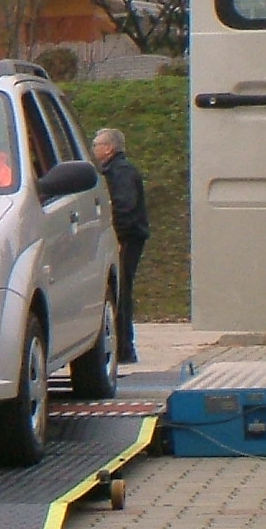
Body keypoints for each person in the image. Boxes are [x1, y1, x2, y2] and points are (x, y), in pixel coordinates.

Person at [92, 126, 149, 363]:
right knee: (120, 290)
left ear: (109, 148)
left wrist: (118, 238)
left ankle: (125, 348)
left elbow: (124, 207)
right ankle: (123, 346)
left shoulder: (121, 171)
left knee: (121, 291)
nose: (94, 149)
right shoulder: (113, 170)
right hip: (126, 236)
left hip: (127, 238)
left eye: (97, 144)